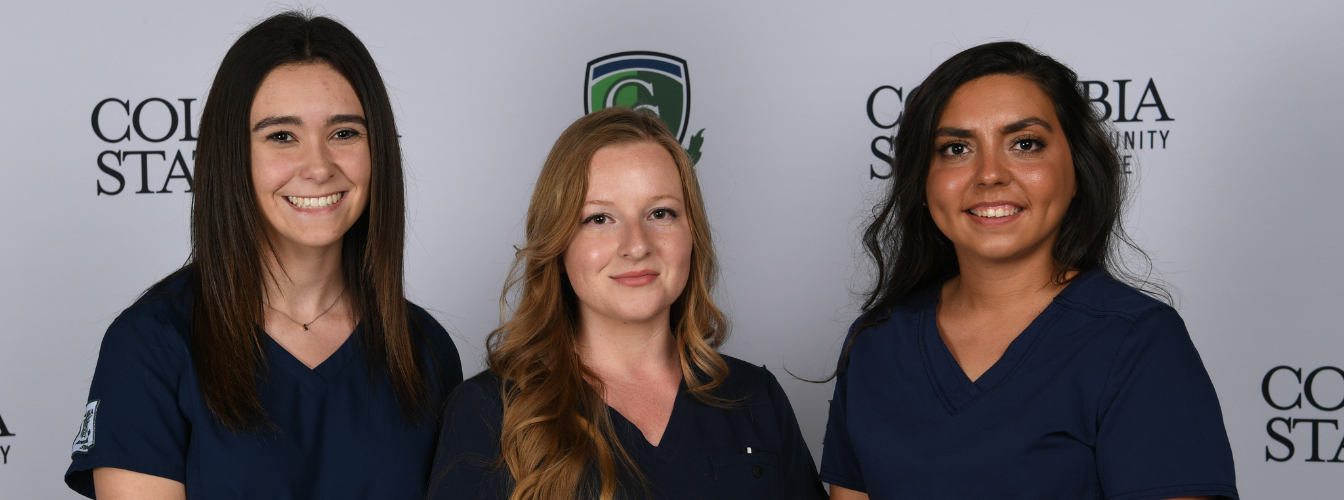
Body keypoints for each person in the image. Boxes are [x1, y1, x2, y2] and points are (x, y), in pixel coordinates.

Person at [64, 12, 461, 499]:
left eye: (344, 133)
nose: (318, 167)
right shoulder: (151, 346)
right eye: (281, 136)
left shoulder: (425, 351)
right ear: (232, 155)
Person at [820, 41, 1237, 500]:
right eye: (956, 148)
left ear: (1078, 169)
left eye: (1025, 144)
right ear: (922, 179)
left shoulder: (1137, 342)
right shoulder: (876, 343)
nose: (990, 174)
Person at [427, 107, 825, 500]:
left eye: (660, 213)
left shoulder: (755, 398)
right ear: (558, 244)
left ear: (693, 235)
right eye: (600, 219)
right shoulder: (489, 413)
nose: (637, 245)